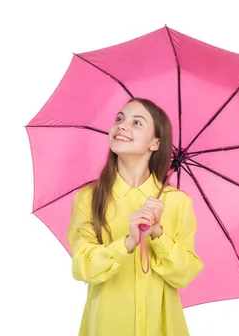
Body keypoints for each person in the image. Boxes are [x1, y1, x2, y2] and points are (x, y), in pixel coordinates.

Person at [67, 98, 204, 336]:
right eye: (119, 119)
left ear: (155, 143)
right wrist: (128, 242)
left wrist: (159, 235)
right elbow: (83, 268)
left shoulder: (177, 202)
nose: (122, 125)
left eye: (136, 122)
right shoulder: (88, 198)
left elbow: (184, 274)